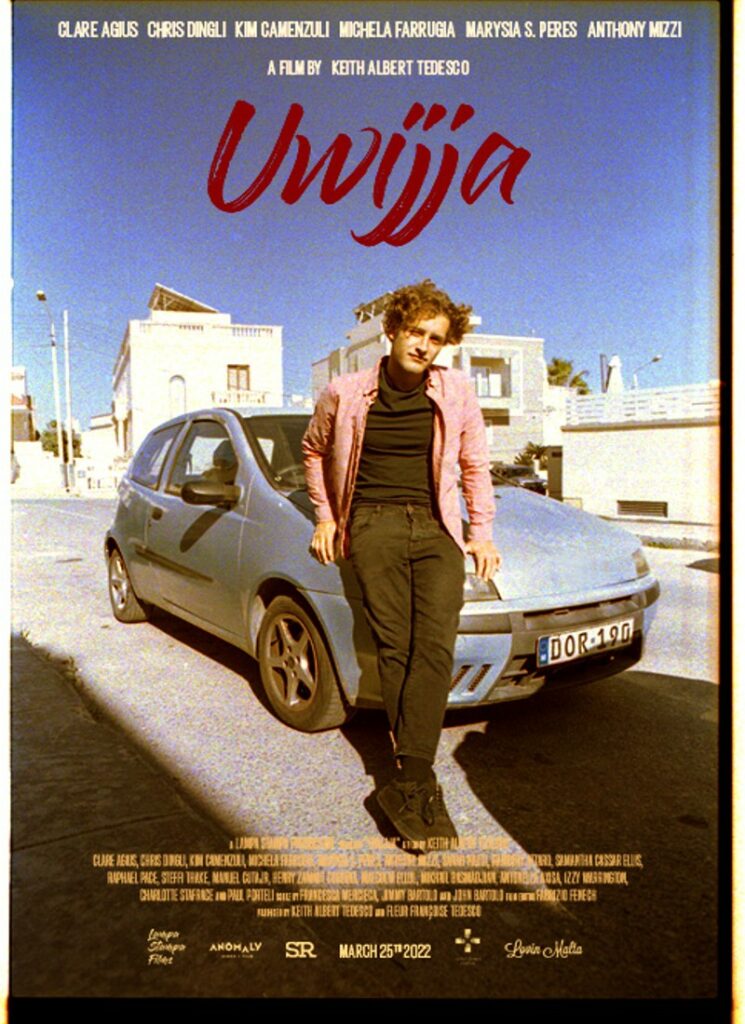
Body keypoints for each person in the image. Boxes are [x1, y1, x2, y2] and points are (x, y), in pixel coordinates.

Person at [302, 280, 499, 845]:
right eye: (416, 332)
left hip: (436, 527)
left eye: (435, 338)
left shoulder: (456, 390)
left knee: (434, 645)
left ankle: (410, 778)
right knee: (396, 646)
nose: (423, 345)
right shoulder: (344, 392)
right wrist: (325, 517)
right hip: (373, 523)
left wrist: (481, 533)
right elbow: (314, 450)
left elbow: (474, 464)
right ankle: (415, 781)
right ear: (391, 331)